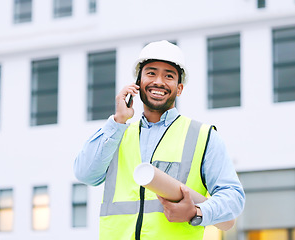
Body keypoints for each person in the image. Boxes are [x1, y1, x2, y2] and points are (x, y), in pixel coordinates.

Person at [74, 40, 245, 240]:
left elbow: (233, 198)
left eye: (169, 76)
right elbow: (85, 174)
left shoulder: (203, 136)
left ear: (179, 88)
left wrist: (196, 212)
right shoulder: (118, 134)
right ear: (138, 83)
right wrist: (118, 121)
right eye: (151, 73)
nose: (159, 82)